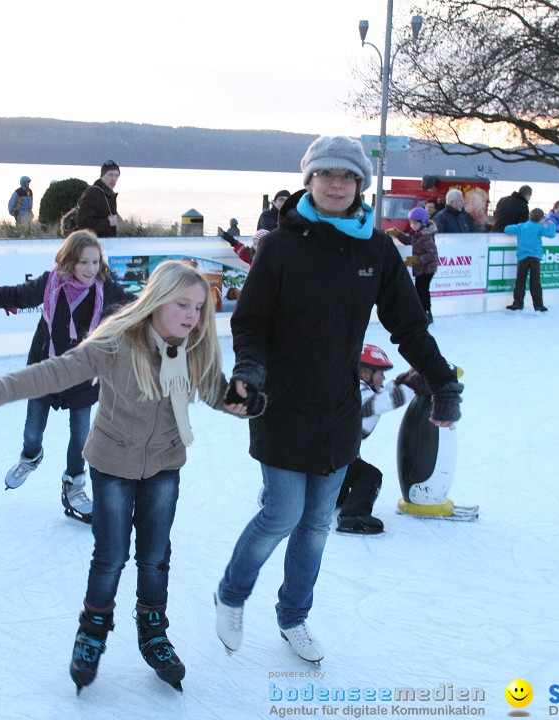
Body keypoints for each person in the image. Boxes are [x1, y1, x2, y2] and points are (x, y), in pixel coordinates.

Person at [213, 136, 462, 665]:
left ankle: (293, 617)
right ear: (310, 182)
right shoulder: (280, 246)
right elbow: (250, 322)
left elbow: (409, 326)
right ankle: (231, 595)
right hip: (280, 404)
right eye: (325, 175)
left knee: (317, 522)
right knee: (281, 513)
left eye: (345, 177)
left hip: (338, 410)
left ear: (358, 186)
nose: (335, 184)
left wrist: (442, 380)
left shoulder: (374, 248)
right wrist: (250, 371)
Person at [0, 260, 255, 693]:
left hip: (164, 465)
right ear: (156, 301)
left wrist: (242, 402)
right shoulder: (118, 342)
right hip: (112, 465)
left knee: (155, 556)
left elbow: (214, 392)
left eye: (198, 307)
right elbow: (55, 370)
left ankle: (153, 632)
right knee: (111, 556)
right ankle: (93, 630)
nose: (192, 315)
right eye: (182, 304)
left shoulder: (194, 349)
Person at [0, 230, 135, 522]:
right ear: (69, 261)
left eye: (95, 262)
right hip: (45, 370)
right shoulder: (51, 283)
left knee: (82, 434)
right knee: (33, 429)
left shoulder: (105, 289)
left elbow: (135, 305)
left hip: (84, 374)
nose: (90, 269)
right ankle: (31, 456)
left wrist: (169, 305)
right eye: (83, 262)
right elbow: (16, 295)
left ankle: (74, 483)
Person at [334, 346, 415, 535]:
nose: (384, 378)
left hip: (332, 455)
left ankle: (331, 497)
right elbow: (382, 402)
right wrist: (413, 385)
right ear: (365, 373)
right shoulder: (355, 392)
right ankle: (352, 517)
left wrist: (401, 381)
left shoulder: (347, 386)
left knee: (351, 467)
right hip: (328, 458)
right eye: (381, 374)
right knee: (369, 476)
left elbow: (381, 394)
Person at [504, 208, 557, 312]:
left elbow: (507, 229)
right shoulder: (539, 228)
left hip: (523, 257)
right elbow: (551, 234)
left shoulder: (522, 226)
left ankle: (518, 303)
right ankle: (538, 305)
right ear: (541, 219)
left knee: (520, 281)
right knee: (535, 282)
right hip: (535, 258)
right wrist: (551, 224)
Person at [394, 206, 439, 324]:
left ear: (423, 222)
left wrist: (416, 259)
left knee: (422, 289)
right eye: (411, 223)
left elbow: (432, 255)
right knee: (419, 290)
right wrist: (398, 234)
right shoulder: (416, 234)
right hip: (421, 268)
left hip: (428, 269)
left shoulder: (427, 237)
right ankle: (422, 312)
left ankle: (427, 313)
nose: (412, 225)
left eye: (415, 223)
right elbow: (409, 241)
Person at [77, 160, 120, 238]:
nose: (114, 178)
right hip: (91, 244)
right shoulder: (92, 194)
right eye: (110, 174)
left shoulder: (109, 194)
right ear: (102, 176)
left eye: (116, 175)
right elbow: (83, 224)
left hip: (105, 243)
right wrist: (108, 222)